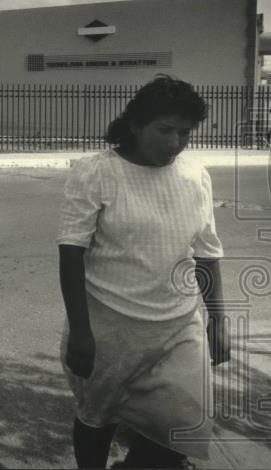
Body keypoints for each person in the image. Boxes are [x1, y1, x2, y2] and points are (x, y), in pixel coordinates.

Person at [57, 75, 230, 469]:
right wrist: (81, 329)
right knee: (97, 419)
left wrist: (219, 318)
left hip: (178, 326)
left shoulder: (195, 176)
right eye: (164, 130)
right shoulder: (96, 172)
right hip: (110, 329)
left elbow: (206, 253)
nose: (175, 143)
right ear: (135, 125)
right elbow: (71, 252)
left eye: (185, 132)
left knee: (182, 426)